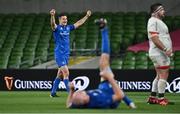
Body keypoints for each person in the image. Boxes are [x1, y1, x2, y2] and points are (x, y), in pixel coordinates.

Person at [66, 18, 136, 109]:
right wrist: (110, 79)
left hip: (102, 87)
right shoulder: (99, 101)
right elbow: (119, 95)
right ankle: (104, 29)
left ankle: (103, 29)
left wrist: (71, 91)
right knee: (104, 61)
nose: (78, 92)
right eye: (79, 94)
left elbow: (69, 105)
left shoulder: (81, 100)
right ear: (84, 100)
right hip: (110, 90)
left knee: (103, 61)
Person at [50, 9, 91, 97]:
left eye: (66, 19)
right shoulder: (57, 28)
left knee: (60, 74)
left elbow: (79, 23)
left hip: (66, 54)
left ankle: (53, 93)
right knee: (66, 73)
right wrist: (52, 15)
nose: (65, 20)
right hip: (59, 54)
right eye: (63, 19)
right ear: (60, 19)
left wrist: (86, 16)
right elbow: (53, 25)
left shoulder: (68, 28)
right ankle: (71, 95)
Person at [147, 3, 173, 106]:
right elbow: (154, 38)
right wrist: (165, 49)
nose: (164, 11)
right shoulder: (153, 21)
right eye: (161, 9)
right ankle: (161, 99)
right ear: (156, 12)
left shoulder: (157, 21)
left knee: (158, 75)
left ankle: (152, 97)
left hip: (158, 52)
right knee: (164, 74)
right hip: (159, 53)